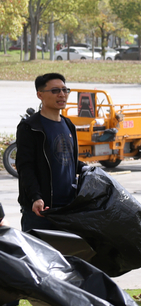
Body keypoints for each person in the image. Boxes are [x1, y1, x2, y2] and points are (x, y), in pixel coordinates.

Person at [15, 73, 86, 233]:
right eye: (55, 91)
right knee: (38, 256)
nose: (62, 94)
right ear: (40, 95)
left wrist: (88, 170)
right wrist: (35, 197)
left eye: (65, 90)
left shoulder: (69, 125)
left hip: (67, 208)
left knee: (68, 256)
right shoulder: (30, 127)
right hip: (40, 209)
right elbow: (25, 167)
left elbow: (69, 161)